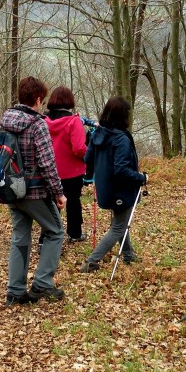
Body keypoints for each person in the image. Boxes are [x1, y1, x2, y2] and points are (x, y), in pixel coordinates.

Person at [0, 76, 66, 306]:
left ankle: (15, 290)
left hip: (10, 190)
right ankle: (42, 284)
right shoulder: (37, 125)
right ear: (37, 99)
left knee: (20, 237)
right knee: (56, 232)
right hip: (35, 192)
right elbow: (47, 163)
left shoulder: (5, 120)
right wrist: (58, 192)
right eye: (43, 100)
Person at [79, 96, 147, 273]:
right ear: (122, 116)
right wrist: (141, 178)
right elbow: (121, 170)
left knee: (120, 223)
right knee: (118, 227)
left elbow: (88, 159)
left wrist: (91, 176)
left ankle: (128, 255)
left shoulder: (98, 133)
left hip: (105, 188)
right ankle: (91, 261)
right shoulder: (121, 139)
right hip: (120, 189)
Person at [45, 87, 88, 243]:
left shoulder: (44, 120)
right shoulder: (73, 121)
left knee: (51, 203)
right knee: (73, 202)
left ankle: (49, 234)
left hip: (49, 170)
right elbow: (79, 148)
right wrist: (89, 154)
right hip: (72, 171)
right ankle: (75, 233)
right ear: (70, 101)